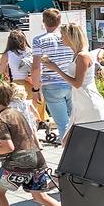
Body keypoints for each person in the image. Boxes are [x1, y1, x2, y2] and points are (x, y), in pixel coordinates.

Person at [0, 81, 62, 206]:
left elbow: (8, 147)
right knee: (40, 196)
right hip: (36, 159)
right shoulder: (14, 112)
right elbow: (19, 136)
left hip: (17, 164)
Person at [40, 23, 104, 144]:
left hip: (88, 103)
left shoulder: (82, 56)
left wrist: (56, 69)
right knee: (68, 141)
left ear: (71, 37)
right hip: (80, 102)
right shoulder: (77, 54)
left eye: (63, 35)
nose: (61, 38)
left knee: (81, 143)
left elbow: (77, 83)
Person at [31, 8, 74, 138]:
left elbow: (36, 68)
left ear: (43, 22)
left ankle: (67, 150)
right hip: (71, 81)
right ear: (60, 21)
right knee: (75, 121)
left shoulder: (39, 40)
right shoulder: (68, 38)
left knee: (62, 124)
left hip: (51, 85)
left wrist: (35, 89)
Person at [0, 30, 45, 128]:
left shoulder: (8, 54)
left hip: (17, 85)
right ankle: (36, 126)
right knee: (32, 109)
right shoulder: (32, 52)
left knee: (20, 110)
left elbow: (0, 71)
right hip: (34, 83)